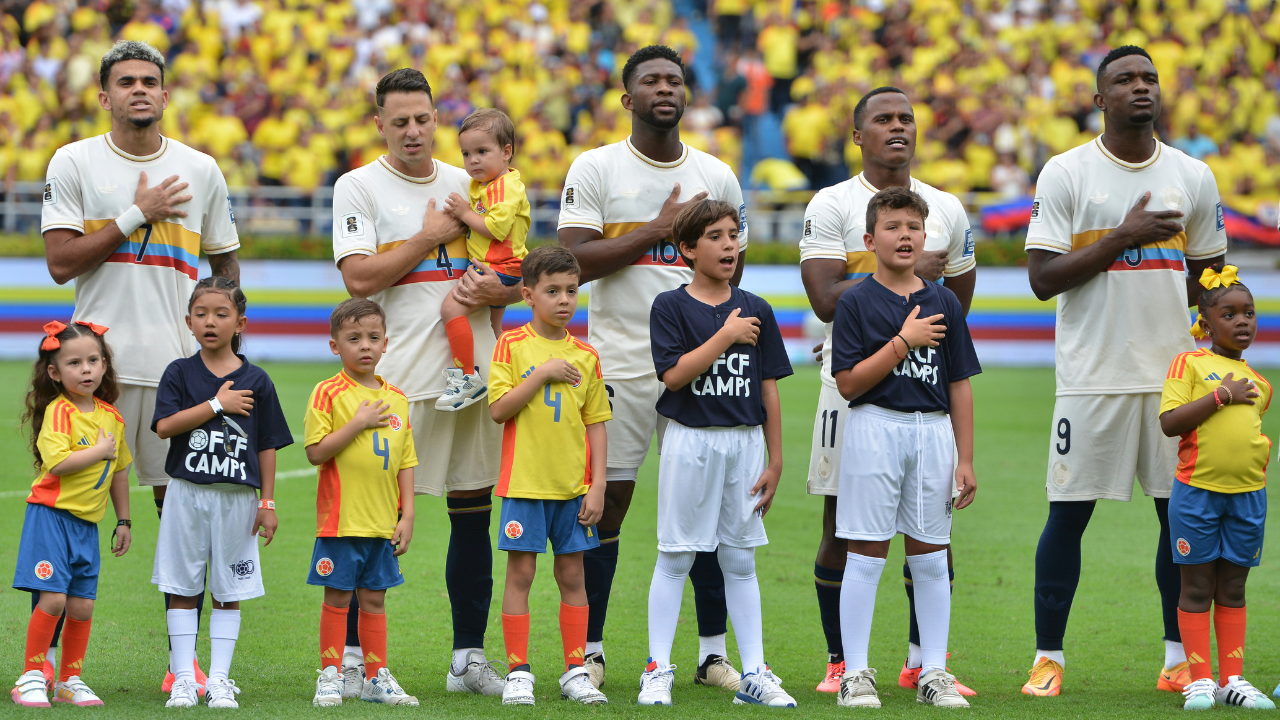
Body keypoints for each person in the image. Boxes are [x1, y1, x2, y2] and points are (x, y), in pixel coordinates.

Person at [1022, 45, 1227, 697]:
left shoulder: (1193, 176)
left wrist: (1221, 325)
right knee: (1067, 517)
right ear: (1098, 98)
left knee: (1181, 523)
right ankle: (1048, 658)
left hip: (1175, 384)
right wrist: (1122, 237)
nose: (1140, 87)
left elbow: (1210, 279)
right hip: (1092, 378)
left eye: (1149, 78)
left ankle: (1178, 661)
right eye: (1124, 79)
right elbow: (1041, 279)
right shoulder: (1066, 172)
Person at [41, 39, 240, 693]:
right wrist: (138, 214)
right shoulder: (74, 161)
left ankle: (182, 667)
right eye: (125, 81)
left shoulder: (201, 169)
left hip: (179, 371)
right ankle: (48, 668)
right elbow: (62, 262)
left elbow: (225, 262)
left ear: (165, 92)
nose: (139, 90)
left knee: (185, 522)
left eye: (150, 80)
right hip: (93, 374)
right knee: (70, 512)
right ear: (104, 95)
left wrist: (225, 337)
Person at [559, 44, 746, 690]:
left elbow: (731, 268)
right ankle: (591, 647)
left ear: (686, 94)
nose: (665, 88)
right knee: (605, 507)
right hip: (620, 366)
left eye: (675, 79)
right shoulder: (597, 167)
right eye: (651, 80)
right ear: (627, 97)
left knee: (709, 511)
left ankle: (712, 653)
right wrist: (658, 229)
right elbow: (574, 262)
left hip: (697, 366)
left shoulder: (717, 176)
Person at [332, 68, 519, 697]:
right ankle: (355, 660)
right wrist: (431, 236)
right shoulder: (358, 186)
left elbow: (515, 268)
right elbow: (360, 279)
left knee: (472, 517)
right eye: (400, 120)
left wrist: (505, 289)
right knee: (372, 525)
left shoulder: (472, 179)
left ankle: (468, 658)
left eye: (423, 118)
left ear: (435, 117)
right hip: (397, 381)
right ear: (379, 122)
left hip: (474, 377)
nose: (413, 131)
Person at [798, 86, 977, 695]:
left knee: (930, 539)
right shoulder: (832, 202)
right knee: (843, 528)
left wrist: (918, 297)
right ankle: (842, 663)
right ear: (858, 134)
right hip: (850, 393)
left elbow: (957, 305)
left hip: (923, 404)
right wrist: (896, 301)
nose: (896, 126)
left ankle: (923, 664)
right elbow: (825, 298)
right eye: (882, 119)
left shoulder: (948, 208)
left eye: (906, 118)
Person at [639, 200, 795, 708]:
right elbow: (674, 375)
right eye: (716, 236)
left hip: (746, 443)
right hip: (691, 440)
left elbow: (768, 388)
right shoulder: (670, 306)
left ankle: (754, 672)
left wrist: (775, 459)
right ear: (687, 249)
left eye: (734, 234)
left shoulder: (758, 307)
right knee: (676, 555)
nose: (730, 244)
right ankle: (657, 668)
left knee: (741, 559)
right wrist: (725, 335)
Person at [830, 187, 980, 710]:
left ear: (925, 236)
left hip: (933, 433)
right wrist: (904, 340)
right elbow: (848, 384)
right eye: (893, 227)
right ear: (871, 240)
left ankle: (933, 670)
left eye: (914, 227)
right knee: (867, 553)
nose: (905, 235)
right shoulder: (855, 301)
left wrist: (965, 458)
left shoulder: (943, 301)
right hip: (875, 428)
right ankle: (856, 672)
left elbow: (959, 382)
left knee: (931, 556)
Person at [150, 278, 293, 709]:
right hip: (186, 493)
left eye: (221, 313)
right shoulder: (178, 372)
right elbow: (164, 427)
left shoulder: (257, 379)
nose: (210, 322)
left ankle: (218, 680)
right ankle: (182, 678)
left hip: (238, 499)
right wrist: (216, 405)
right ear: (189, 321)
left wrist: (267, 502)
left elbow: (267, 444)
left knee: (228, 589)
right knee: (182, 587)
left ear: (240, 322)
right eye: (201, 314)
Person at [488, 246, 611, 706]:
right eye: (552, 291)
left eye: (571, 291)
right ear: (528, 295)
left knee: (573, 576)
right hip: (524, 486)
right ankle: (518, 671)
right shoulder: (512, 346)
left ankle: (575, 669)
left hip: (572, 490)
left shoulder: (585, 354)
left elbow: (596, 423)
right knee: (520, 574)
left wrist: (597, 485)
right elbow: (499, 409)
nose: (564, 300)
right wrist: (539, 374)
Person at [1159, 265, 1275, 711]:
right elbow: (1170, 423)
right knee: (1196, 587)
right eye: (1229, 314)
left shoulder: (1262, 385)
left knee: (1233, 589)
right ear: (1206, 324)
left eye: (1249, 313)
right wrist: (1220, 396)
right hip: (1197, 494)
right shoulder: (1189, 363)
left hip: (1249, 497)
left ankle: (1232, 679)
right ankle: (1200, 679)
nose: (1242, 321)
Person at [11, 322, 132, 708]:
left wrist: (124, 520)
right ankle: (31, 675)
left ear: (104, 365)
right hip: (50, 518)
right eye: (74, 362)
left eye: (93, 360)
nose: (86, 370)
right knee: (54, 600)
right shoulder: (58, 412)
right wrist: (100, 452)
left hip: (87, 525)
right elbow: (58, 462)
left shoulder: (112, 416)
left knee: (82, 604)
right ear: (54, 372)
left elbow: (120, 471)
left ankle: (69, 679)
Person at [307, 298, 419, 707]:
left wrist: (407, 513)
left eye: (373, 337)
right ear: (336, 346)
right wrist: (357, 424)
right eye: (354, 338)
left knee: (374, 598)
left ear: (386, 343)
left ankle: (376, 677)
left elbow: (406, 460)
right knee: (337, 596)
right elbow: (316, 452)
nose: (365, 346)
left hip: (381, 522)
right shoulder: (328, 393)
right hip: (341, 521)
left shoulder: (398, 399)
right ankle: (331, 675)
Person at [437, 108, 530, 411]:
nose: (473, 160)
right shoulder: (487, 184)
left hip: (500, 268)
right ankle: (508, 374)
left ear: (506, 152)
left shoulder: (506, 188)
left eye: (481, 151)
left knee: (451, 307)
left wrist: (464, 213)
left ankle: (468, 378)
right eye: (466, 154)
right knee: (492, 330)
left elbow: (495, 228)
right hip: (504, 267)